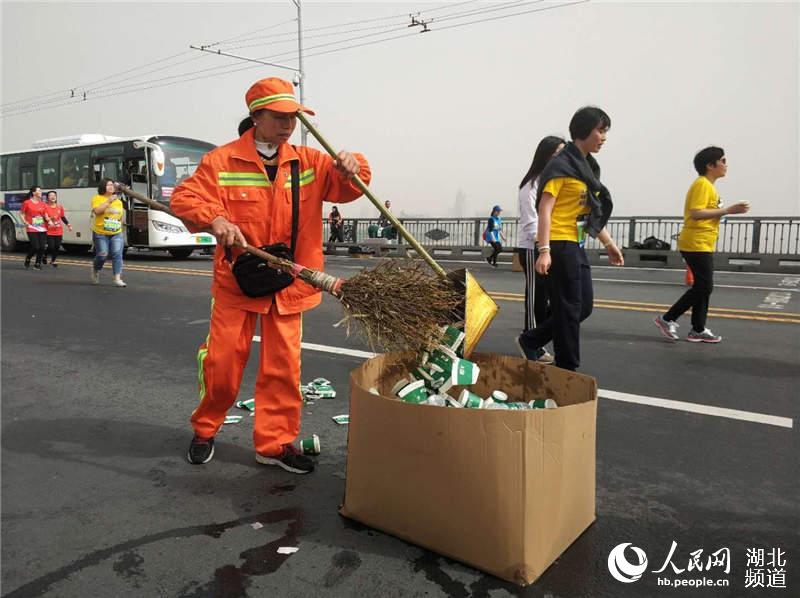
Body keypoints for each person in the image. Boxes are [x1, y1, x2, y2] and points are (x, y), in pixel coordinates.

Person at [170, 77, 371, 473]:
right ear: (256, 116)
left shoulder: (309, 162)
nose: (287, 125)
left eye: (292, 117)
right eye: (278, 116)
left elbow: (350, 187)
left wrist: (353, 165)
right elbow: (184, 198)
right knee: (223, 367)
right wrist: (215, 219)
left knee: (283, 370)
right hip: (238, 283)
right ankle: (205, 428)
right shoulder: (221, 162)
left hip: (289, 285)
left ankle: (275, 445)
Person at [517, 106, 624, 371]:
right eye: (600, 130)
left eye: (605, 131)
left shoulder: (585, 167)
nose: (603, 137)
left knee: (582, 306)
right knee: (569, 306)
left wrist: (608, 243)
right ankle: (567, 367)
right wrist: (544, 250)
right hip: (558, 243)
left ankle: (532, 339)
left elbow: (588, 213)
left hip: (575, 243)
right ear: (585, 131)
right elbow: (545, 208)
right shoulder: (562, 165)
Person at [654, 147, 749, 343]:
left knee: (703, 286)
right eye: (722, 160)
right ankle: (667, 318)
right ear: (710, 165)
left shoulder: (708, 186)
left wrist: (726, 211)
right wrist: (728, 210)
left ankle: (697, 329)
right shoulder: (702, 184)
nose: (726, 164)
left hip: (703, 242)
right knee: (704, 286)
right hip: (695, 242)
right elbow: (695, 212)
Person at [517, 135, 566, 363]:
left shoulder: (552, 182)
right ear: (545, 155)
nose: (561, 158)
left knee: (548, 297)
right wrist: (542, 247)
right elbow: (531, 222)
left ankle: (534, 339)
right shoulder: (531, 185)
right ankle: (530, 340)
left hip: (547, 246)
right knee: (536, 296)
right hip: (532, 247)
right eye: (557, 154)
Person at [90, 177, 127, 287]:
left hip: (116, 232)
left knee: (117, 254)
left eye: (112, 185)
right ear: (103, 187)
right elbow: (97, 211)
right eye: (108, 185)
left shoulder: (119, 202)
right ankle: (96, 269)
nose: (111, 187)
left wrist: (120, 225)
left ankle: (117, 278)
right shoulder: (97, 198)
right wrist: (109, 201)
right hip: (100, 232)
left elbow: (120, 216)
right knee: (102, 254)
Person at [20, 186, 47, 269]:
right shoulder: (27, 203)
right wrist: (25, 222)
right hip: (31, 227)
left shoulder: (43, 203)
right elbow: (21, 213)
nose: (41, 192)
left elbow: (45, 214)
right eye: (39, 190)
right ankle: (28, 258)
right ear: (34, 193)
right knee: (36, 247)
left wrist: (49, 220)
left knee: (42, 246)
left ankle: (37, 264)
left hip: (41, 227)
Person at [43, 191, 72, 267]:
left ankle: (53, 261)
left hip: (58, 230)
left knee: (57, 246)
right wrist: (50, 220)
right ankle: (45, 256)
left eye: (54, 195)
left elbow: (62, 217)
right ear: (47, 198)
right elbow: (44, 218)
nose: (53, 197)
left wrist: (68, 224)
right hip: (49, 230)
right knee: (51, 246)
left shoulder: (59, 207)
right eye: (51, 195)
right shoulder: (45, 207)